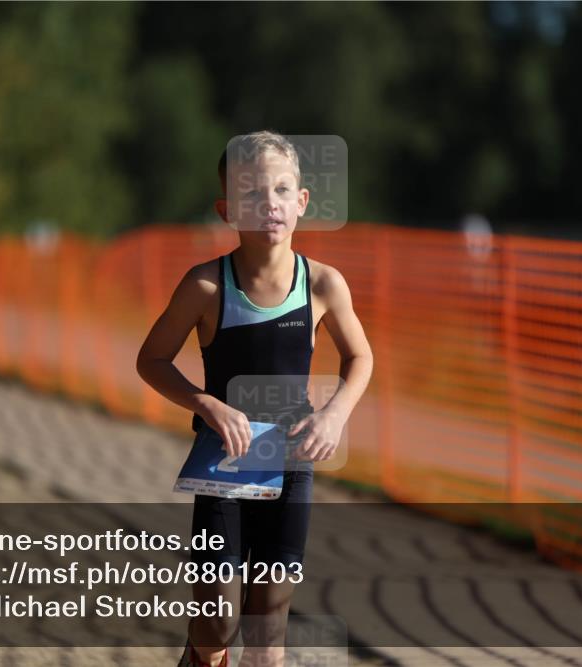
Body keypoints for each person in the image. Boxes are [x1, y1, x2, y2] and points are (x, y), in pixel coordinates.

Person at [136, 131, 373, 667]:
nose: (269, 204)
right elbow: (150, 359)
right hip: (225, 463)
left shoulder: (324, 285)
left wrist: (335, 414)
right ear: (227, 209)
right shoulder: (205, 286)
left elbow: (361, 359)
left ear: (302, 202)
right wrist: (205, 403)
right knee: (216, 624)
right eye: (252, 195)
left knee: (268, 638)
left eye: (282, 191)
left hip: (290, 466)